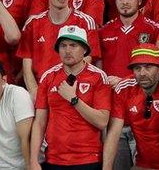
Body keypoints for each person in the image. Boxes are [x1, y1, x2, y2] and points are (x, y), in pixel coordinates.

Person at [29, 24, 110, 170]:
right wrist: (33, 159)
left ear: (84, 49)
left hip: (88, 160)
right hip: (53, 160)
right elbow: (40, 122)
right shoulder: (48, 77)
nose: (67, 50)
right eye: (63, 46)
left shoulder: (98, 77)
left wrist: (74, 99)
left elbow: (102, 121)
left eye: (73, 45)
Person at [103, 45, 159, 170]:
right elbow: (113, 134)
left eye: (148, 67)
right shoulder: (124, 88)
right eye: (137, 68)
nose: (142, 73)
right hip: (143, 164)